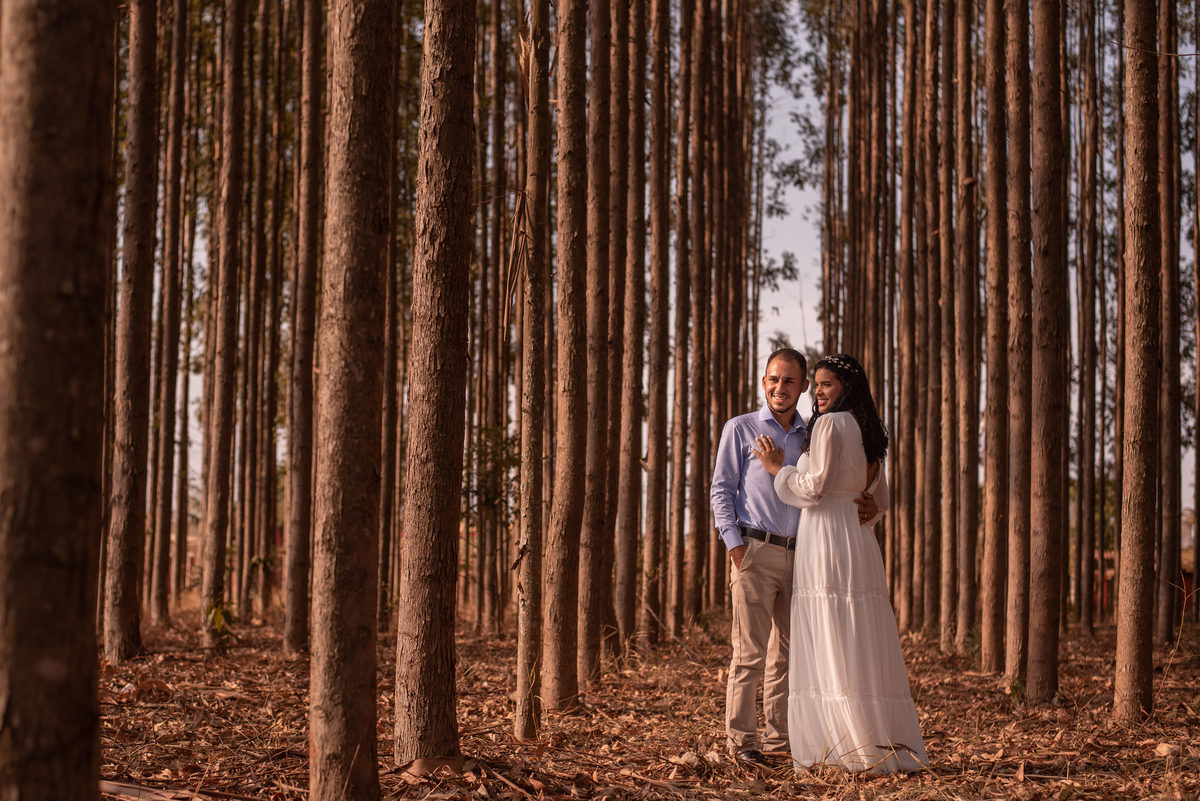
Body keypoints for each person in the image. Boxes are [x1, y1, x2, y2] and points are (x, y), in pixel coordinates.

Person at [752, 353, 928, 775]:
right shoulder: (869, 432)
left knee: (830, 630)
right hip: (859, 542)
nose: (819, 392)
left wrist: (779, 470)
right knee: (858, 633)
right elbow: (881, 501)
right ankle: (878, 739)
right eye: (817, 384)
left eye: (828, 384)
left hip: (827, 538)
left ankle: (840, 744)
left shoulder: (830, 425)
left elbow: (814, 488)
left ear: (848, 387)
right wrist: (868, 511)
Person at [710, 348, 877, 767]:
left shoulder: (811, 433)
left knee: (786, 653)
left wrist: (874, 504)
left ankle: (777, 738)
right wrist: (735, 545)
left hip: (803, 555)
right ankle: (741, 741)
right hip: (754, 550)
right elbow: (721, 491)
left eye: (789, 381)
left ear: (803, 386)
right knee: (749, 654)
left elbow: (837, 483)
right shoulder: (740, 428)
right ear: (762, 382)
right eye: (772, 379)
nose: (779, 388)